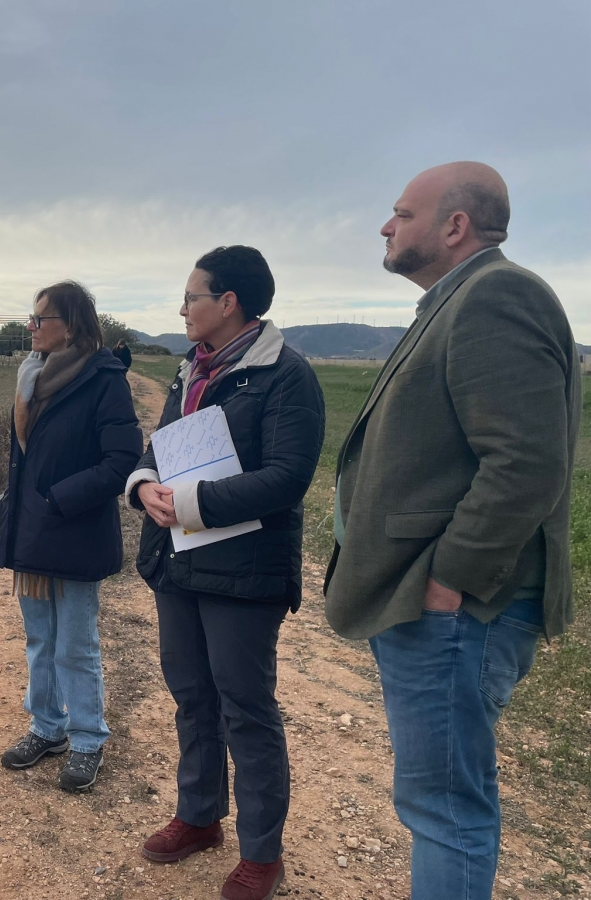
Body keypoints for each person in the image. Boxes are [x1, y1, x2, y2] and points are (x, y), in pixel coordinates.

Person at [325, 162, 582, 900]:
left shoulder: (497, 295)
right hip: (445, 607)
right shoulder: (456, 299)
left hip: (461, 609)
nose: (385, 225)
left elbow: (527, 462)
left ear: (455, 226)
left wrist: (449, 581)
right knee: (443, 799)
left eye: (401, 213)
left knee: (445, 810)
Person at [126, 246, 324, 900]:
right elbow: (158, 450)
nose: (182, 309)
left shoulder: (285, 376)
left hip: (244, 571)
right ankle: (199, 815)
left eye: (192, 297)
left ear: (228, 302)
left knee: (246, 708)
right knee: (192, 696)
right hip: (179, 562)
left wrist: (191, 503)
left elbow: (286, 479)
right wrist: (144, 487)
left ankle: (262, 853)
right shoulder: (192, 371)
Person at [0, 282, 142, 792]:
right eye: (31, 318)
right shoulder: (31, 377)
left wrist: (59, 498)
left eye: (40, 319)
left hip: (73, 530)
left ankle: (85, 739)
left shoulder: (103, 378)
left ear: (71, 325)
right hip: (33, 532)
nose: (31, 327)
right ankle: (47, 727)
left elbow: (122, 459)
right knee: (40, 639)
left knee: (75, 643)